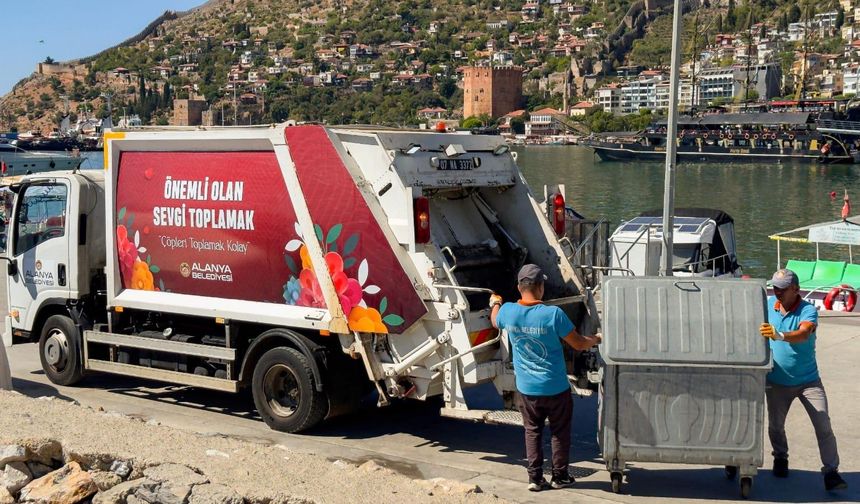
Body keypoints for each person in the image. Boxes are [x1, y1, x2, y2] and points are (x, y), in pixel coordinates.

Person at [490, 264, 601, 492]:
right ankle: (559, 477)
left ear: (519, 287)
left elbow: (495, 320)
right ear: (540, 287)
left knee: (532, 431)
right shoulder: (553, 315)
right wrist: (596, 339)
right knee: (559, 432)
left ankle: (535, 479)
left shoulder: (509, 311)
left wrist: (496, 302)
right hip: (556, 387)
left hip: (527, 389)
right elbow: (578, 344)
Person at [760, 268, 847, 492]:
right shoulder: (768, 305)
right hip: (777, 381)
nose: (776, 291)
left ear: (795, 289)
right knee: (776, 427)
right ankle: (780, 457)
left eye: (781, 288)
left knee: (823, 424)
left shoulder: (808, 310)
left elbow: (804, 333)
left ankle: (831, 473)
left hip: (809, 381)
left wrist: (780, 335)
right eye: (774, 287)